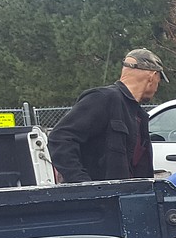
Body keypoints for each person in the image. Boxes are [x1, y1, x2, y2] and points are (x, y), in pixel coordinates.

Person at [47, 48, 168, 183]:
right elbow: (60, 138)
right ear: (152, 76)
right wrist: (84, 185)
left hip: (126, 199)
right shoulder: (103, 98)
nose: (158, 86)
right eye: (159, 79)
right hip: (100, 201)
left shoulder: (138, 114)